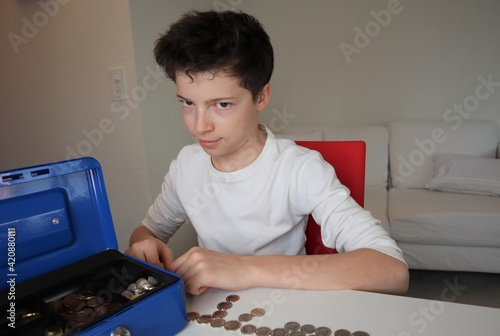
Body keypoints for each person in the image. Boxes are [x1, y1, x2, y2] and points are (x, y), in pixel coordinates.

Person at [126, 10, 409, 296]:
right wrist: (144, 244)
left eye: (222, 105)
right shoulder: (185, 166)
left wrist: (243, 269)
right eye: (187, 102)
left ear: (261, 96)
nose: (200, 126)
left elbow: (391, 270)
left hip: (285, 311)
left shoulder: (300, 169)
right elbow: (146, 233)